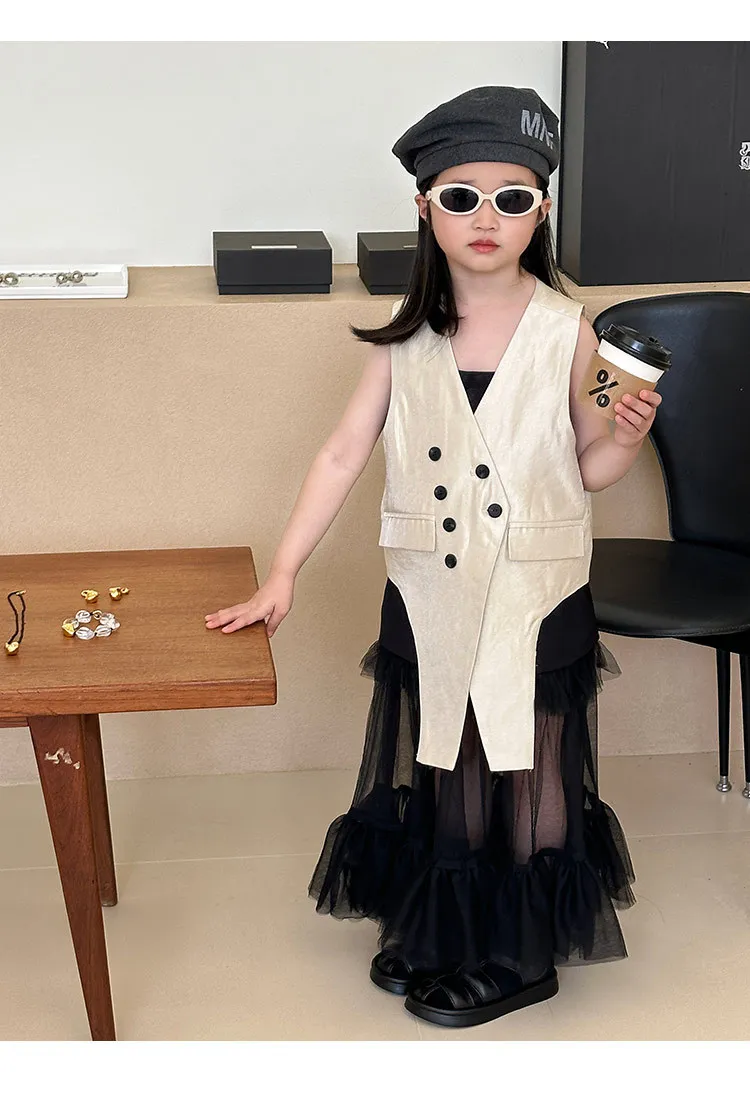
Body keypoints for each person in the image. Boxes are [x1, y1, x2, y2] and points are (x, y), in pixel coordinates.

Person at [205, 85, 662, 1029]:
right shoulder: (403, 332)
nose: (486, 218)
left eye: (511, 197)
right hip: (430, 584)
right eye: (461, 197)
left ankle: (519, 952)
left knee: (526, 756)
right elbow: (343, 453)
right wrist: (283, 571)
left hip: (535, 587)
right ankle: (448, 922)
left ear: (540, 211)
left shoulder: (573, 331)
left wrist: (627, 434)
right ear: (425, 208)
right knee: (446, 754)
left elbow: (590, 465)